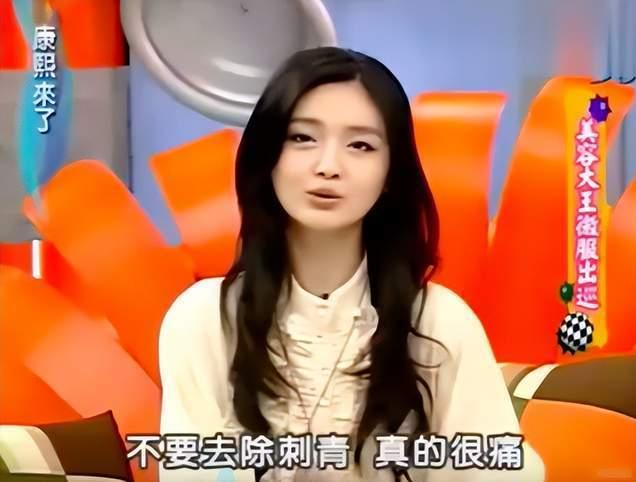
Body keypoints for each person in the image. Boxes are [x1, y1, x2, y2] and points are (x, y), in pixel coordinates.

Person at [158, 47, 545, 482]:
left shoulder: (438, 322)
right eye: (302, 138)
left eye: (360, 145)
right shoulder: (205, 320)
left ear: (390, 174)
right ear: (268, 158)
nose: (328, 166)